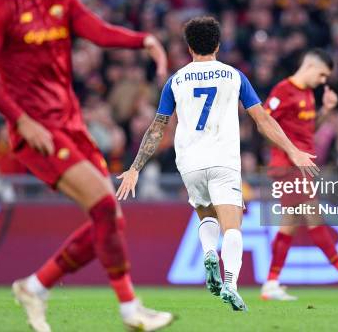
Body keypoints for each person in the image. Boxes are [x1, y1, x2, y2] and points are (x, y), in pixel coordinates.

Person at [0, 0, 173, 332]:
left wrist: (143, 40)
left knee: (109, 217)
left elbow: (100, 31)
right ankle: (130, 309)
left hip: (73, 127)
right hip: (39, 132)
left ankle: (34, 286)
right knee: (104, 208)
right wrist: (20, 120)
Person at [116, 17, 319, 311]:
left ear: (188, 48)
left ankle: (209, 251)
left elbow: (157, 128)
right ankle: (231, 284)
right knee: (232, 225)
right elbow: (262, 120)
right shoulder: (233, 76)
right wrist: (292, 150)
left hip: (189, 162)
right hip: (223, 159)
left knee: (206, 216)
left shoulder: (176, 80)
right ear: (218, 45)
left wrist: (135, 168)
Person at [260, 49, 338, 301]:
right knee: (313, 214)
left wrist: (326, 109)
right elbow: (263, 123)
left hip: (302, 165)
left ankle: (271, 282)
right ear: (309, 65)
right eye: (322, 74)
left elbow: (309, 129)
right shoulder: (283, 90)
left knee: (289, 226)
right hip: (289, 165)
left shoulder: (309, 95)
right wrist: (290, 151)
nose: (323, 81)